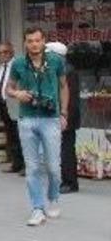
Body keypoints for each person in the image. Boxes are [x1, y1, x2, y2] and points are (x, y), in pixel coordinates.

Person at [6, 27, 69, 226]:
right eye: (30, 41)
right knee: (32, 167)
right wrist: (18, 94)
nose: (34, 44)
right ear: (25, 43)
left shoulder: (56, 61)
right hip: (27, 119)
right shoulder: (18, 63)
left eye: (37, 40)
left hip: (50, 119)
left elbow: (63, 86)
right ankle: (37, 208)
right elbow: (8, 88)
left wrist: (64, 113)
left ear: (44, 41)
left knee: (53, 167)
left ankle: (53, 196)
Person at [46, 42, 80, 194]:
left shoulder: (67, 70)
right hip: (60, 115)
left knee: (66, 149)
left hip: (66, 116)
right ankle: (63, 180)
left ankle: (70, 182)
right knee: (60, 149)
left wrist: (63, 115)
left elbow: (68, 98)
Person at [0, 42, 25, 174]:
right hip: (2, 103)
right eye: (0, 53)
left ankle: (25, 165)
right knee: (10, 134)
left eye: (5, 52)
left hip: (14, 104)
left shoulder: (17, 66)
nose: (3, 55)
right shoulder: (1, 68)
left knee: (20, 135)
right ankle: (16, 163)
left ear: (12, 52)